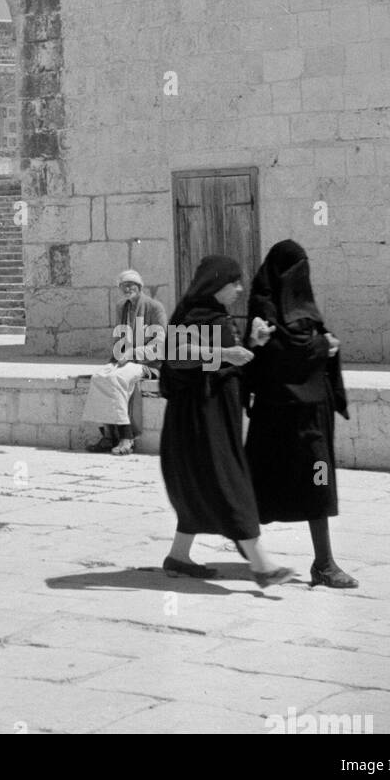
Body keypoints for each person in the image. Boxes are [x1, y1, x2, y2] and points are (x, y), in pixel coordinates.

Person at [158, 254, 294, 587]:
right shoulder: (194, 314)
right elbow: (177, 356)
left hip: (215, 417)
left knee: (204, 486)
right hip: (199, 420)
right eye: (233, 282)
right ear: (216, 284)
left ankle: (178, 556)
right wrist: (225, 354)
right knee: (228, 484)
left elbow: (228, 363)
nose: (239, 288)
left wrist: (250, 345)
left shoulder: (217, 315)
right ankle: (262, 566)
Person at [242, 240, 357, 589]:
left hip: (312, 416)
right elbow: (278, 353)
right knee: (256, 487)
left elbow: (310, 338)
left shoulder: (303, 304)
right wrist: (323, 346)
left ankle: (323, 563)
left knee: (318, 483)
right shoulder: (265, 305)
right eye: (296, 270)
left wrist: (326, 342)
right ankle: (254, 558)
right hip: (277, 415)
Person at [85, 270, 166, 454]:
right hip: (125, 360)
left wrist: (132, 354)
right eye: (124, 285)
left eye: (132, 284)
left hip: (149, 363)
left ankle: (126, 437)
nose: (128, 288)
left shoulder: (155, 307)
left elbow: (160, 345)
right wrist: (115, 359)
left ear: (140, 286)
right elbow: (120, 338)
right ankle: (108, 435)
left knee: (118, 379)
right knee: (99, 377)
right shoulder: (122, 307)